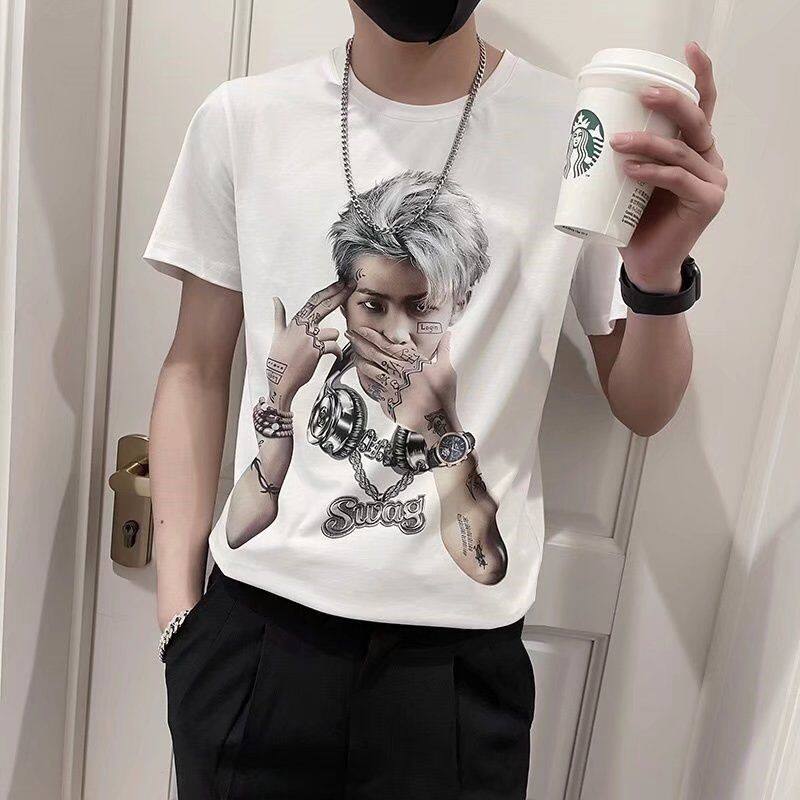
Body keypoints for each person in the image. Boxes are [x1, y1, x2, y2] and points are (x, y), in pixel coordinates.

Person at [143, 1, 727, 797]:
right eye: (372, 304)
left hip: (455, 671)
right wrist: (180, 620)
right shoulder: (244, 120)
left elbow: (644, 407)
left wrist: (656, 277)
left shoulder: (580, 133)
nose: (395, 330)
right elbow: (195, 368)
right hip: (256, 645)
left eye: (422, 308)